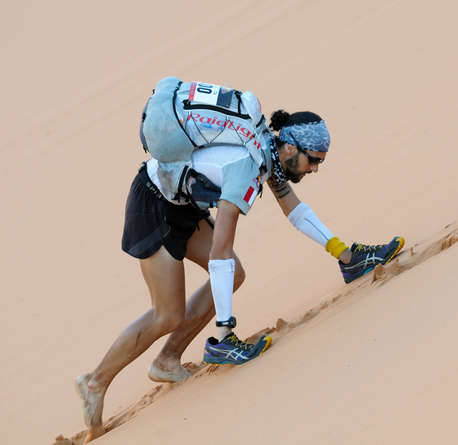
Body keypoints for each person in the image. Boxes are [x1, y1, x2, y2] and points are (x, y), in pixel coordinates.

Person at [75, 77, 404, 442]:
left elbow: (295, 211)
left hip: (181, 203)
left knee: (234, 275)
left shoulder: (267, 151)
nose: (314, 170)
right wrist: (225, 333)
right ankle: (95, 381)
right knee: (168, 313)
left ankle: (167, 361)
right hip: (153, 205)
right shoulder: (248, 165)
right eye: (313, 161)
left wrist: (345, 254)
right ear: (291, 148)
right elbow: (220, 250)